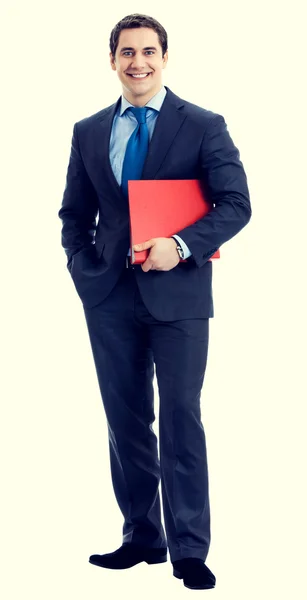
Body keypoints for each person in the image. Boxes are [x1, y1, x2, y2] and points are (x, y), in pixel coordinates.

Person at [58, 13, 251, 590]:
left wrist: (181, 245)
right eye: (126, 52)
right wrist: (82, 268)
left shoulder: (203, 124)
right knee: (125, 419)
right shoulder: (89, 130)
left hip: (179, 298)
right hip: (110, 296)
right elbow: (74, 215)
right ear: (112, 61)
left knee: (181, 416)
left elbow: (236, 203)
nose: (137, 62)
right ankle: (142, 535)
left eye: (148, 51)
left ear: (165, 58)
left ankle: (188, 548)